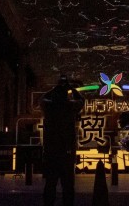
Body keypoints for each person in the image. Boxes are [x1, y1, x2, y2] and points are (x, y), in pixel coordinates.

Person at [42, 75, 84, 206]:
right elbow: (81, 100)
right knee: (68, 185)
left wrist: (56, 87)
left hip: (51, 152)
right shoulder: (70, 107)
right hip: (67, 151)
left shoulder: (49, 108)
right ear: (67, 96)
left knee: (50, 183)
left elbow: (42, 98)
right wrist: (71, 88)